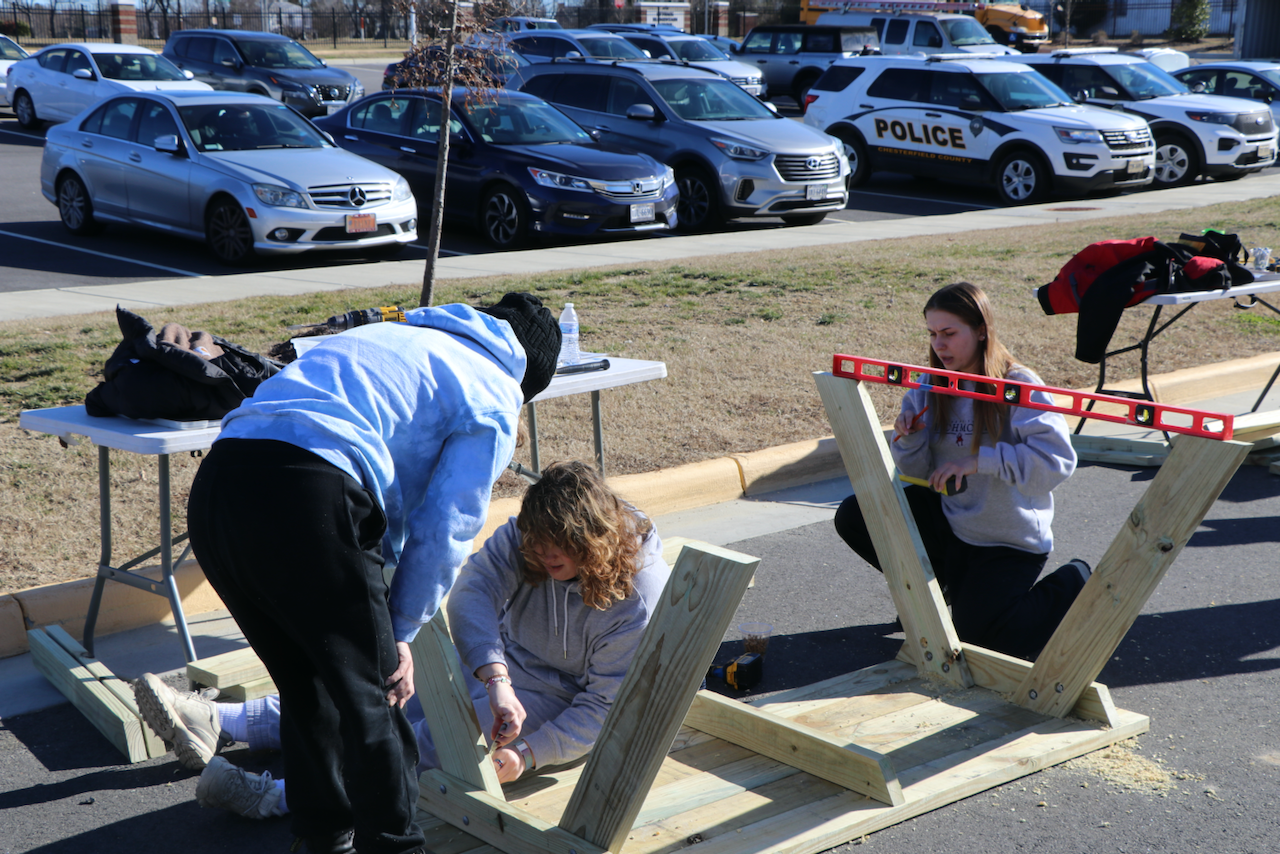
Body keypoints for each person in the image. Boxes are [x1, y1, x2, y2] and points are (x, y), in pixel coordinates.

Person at [160, 293, 560, 854]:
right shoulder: (492, 391)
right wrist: (400, 630)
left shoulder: (399, 338)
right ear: (528, 379)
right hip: (308, 491)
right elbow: (446, 528)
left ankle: (323, 840)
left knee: (306, 686)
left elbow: (383, 507)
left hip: (220, 487)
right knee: (375, 697)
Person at [136, 460, 671, 823]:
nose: (543, 556)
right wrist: (495, 674)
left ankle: (283, 798)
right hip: (503, 663)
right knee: (382, 693)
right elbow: (472, 594)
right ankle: (219, 720)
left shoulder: (637, 596)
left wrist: (529, 754)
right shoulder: (530, 534)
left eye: (557, 550)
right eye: (536, 546)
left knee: (437, 741)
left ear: (590, 538)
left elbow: (604, 707)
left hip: (560, 696)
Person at [833, 282, 1091, 661]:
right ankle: (943, 588)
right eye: (932, 334)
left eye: (949, 333)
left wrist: (979, 461)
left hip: (1006, 539)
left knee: (983, 646)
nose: (939, 345)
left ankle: (1076, 581)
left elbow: (1056, 463)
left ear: (981, 330)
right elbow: (916, 470)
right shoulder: (929, 384)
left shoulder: (1018, 384)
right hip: (952, 524)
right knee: (857, 514)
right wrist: (910, 439)